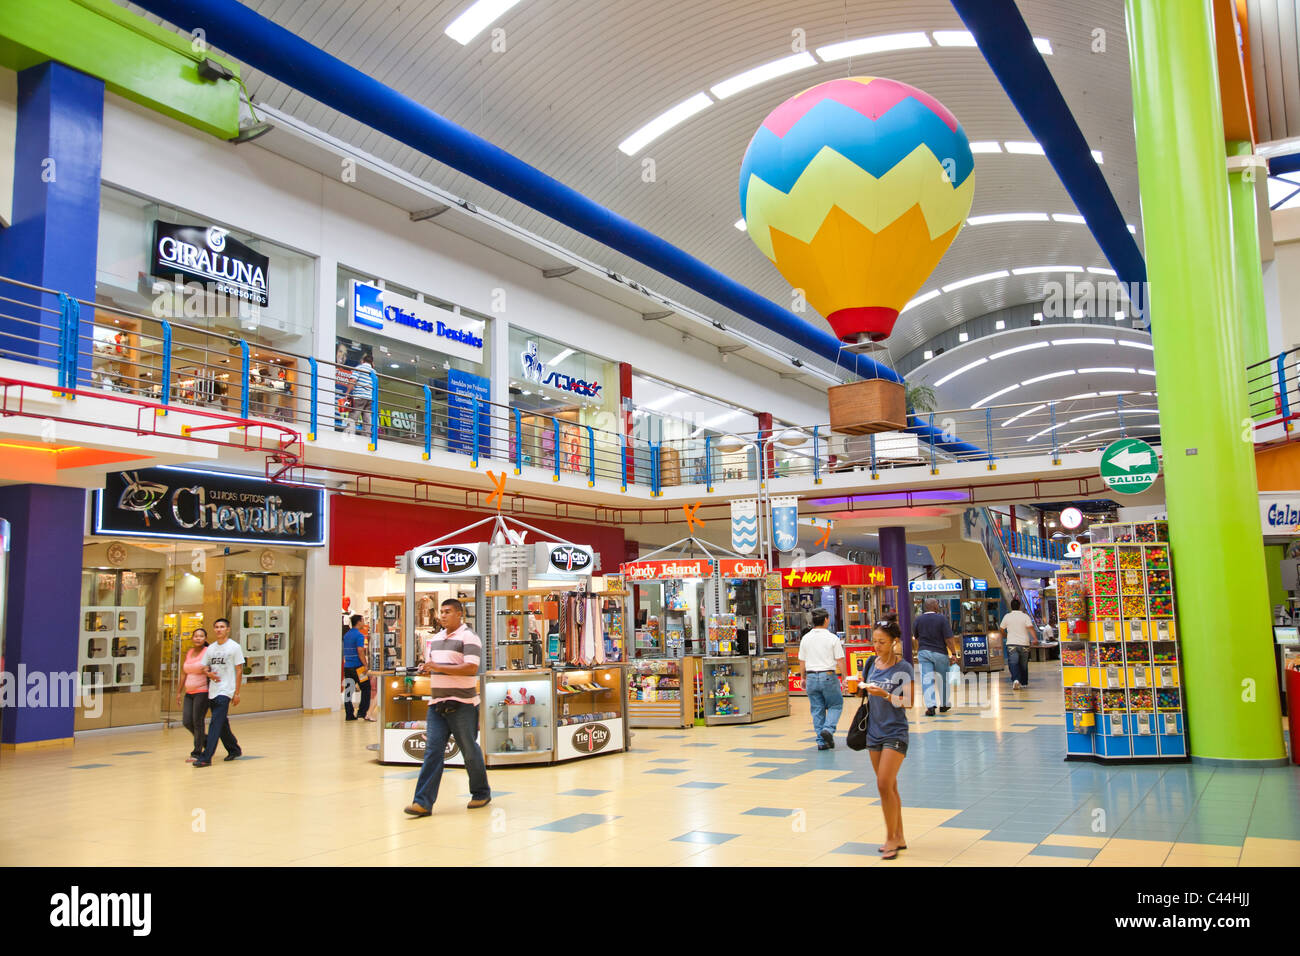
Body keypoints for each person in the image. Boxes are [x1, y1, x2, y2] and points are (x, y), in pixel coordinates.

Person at [405, 598, 491, 817]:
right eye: (441, 612)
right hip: (437, 705)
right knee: (432, 752)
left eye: (448, 612)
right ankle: (422, 802)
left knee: (469, 752)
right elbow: (437, 667)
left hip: (462, 705)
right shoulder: (435, 639)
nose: (443, 615)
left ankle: (481, 792)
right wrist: (429, 669)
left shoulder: (469, 637)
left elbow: (471, 668)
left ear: (459, 614)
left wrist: (439, 668)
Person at [860, 620, 914, 860]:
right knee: (889, 786)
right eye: (874, 641)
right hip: (873, 731)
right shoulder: (871, 663)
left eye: (882, 642)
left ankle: (891, 838)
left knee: (883, 783)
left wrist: (885, 694)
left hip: (895, 732)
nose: (877, 646)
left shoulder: (903, 668)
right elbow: (863, 693)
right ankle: (899, 835)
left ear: (894, 642)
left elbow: (909, 702)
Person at [194, 617, 244, 767]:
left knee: (215, 723)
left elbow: (239, 670)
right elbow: (204, 667)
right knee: (222, 724)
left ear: (227, 629)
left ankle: (206, 757)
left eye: (222, 627)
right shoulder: (211, 648)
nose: (219, 629)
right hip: (213, 691)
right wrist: (209, 674)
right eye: (216, 627)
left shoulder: (234, 647)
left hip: (226, 690)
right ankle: (234, 749)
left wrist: (236, 692)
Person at [797, 608, 846, 750]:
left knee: (817, 709)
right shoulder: (832, 638)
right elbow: (840, 660)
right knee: (835, 705)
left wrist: (802, 677)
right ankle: (828, 730)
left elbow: (802, 661)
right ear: (826, 620)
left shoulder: (806, 638)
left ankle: (821, 742)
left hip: (811, 676)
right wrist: (844, 677)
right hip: (828, 676)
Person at [913, 597, 958, 716]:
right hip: (940, 653)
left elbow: (916, 637)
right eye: (937, 604)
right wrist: (953, 653)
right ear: (934, 606)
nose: (938, 606)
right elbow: (948, 638)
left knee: (926, 679)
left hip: (924, 652)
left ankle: (931, 705)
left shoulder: (918, 619)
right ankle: (944, 704)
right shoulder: (942, 619)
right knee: (943, 679)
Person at [176, 627, 210, 763]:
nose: (198, 638)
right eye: (196, 636)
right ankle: (206, 740)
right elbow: (184, 673)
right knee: (187, 721)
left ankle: (196, 752)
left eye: (201, 636)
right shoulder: (189, 652)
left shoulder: (207, 652)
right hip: (189, 693)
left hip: (202, 692)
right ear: (192, 638)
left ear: (205, 639)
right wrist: (179, 691)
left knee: (197, 722)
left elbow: (209, 670)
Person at [1001, 598, 1038, 689]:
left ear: (1011, 606)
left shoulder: (1007, 616)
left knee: (1013, 663)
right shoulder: (1025, 616)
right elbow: (1030, 628)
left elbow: (1001, 629)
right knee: (1023, 664)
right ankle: (1024, 682)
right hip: (1024, 643)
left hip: (1012, 644)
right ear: (1020, 606)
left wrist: (1006, 636)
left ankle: (1016, 680)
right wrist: (1035, 638)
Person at [342, 613, 373, 721]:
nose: (363, 623)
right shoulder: (359, 635)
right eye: (363, 620)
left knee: (348, 690)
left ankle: (349, 714)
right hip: (358, 667)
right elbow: (360, 651)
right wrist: (365, 665)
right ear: (359, 622)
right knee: (366, 688)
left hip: (347, 666)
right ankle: (362, 712)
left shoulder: (346, 635)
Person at [347, 349, 374, 436]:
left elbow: (353, 380)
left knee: (353, 417)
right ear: (372, 363)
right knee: (367, 419)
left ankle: (349, 435)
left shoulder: (360, 368)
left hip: (359, 397)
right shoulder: (373, 372)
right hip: (369, 399)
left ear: (363, 361)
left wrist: (347, 393)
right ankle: (366, 437)